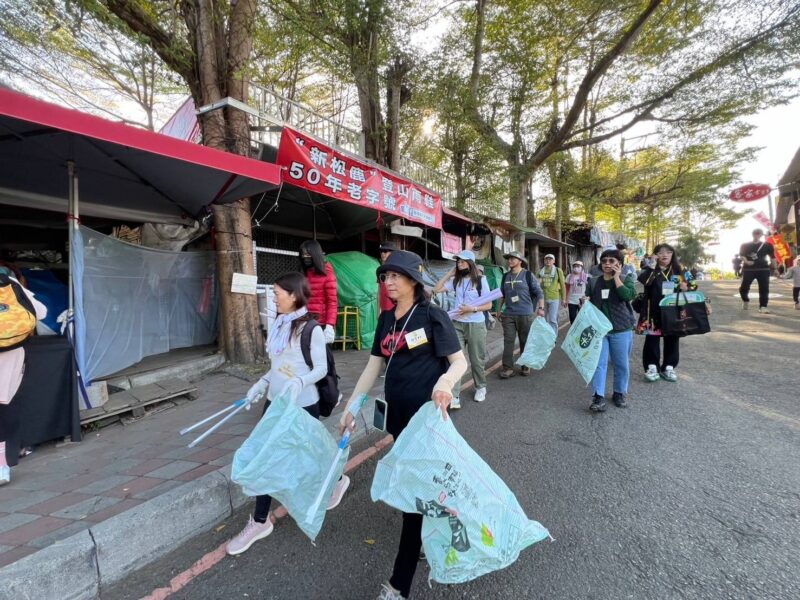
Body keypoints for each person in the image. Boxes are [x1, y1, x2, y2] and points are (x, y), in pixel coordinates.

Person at [337, 250, 467, 600]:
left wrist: (444, 384)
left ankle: (398, 585)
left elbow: (459, 362)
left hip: (426, 419)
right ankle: (435, 528)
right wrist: (353, 406)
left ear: (414, 280)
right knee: (420, 487)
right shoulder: (385, 319)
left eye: (395, 275)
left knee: (413, 497)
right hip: (398, 417)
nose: (388, 282)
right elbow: (372, 368)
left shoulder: (432, 316)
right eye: (385, 276)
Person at [225, 272, 348, 555]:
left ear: (294, 295)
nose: (273, 298)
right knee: (269, 457)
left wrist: (299, 382)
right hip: (275, 403)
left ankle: (337, 480)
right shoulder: (279, 323)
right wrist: (260, 384)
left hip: (303, 405)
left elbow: (320, 369)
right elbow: (278, 365)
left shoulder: (311, 329)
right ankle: (260, 520)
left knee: (301, 455)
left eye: (277, 293)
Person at [0, 267, 47, 486]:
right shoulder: (10, 282)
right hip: (12, 354)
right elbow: (41, 312)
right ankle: (3, 465)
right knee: (7, 406)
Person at [433, 250, 492, 407]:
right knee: (456, 361)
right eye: (457, 262)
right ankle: (455, 395)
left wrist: (471, 309)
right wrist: (449, 273)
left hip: (475, 324)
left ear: (470, 263)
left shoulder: (480, 280)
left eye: (462, 262)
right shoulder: (456, 281)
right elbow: (436, 289)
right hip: (457, 324)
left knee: (476, 358)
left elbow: (489, 305)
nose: (459, 264)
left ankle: (480, 387)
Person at [583, 248, 637, 412]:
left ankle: (619, 393)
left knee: (621, 364)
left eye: (612, 261)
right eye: (604, 260)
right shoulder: (593, 281)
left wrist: (616, 278)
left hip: (621, 329)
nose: (607, 263)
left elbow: (627, 296)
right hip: (600, 330)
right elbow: (588, 299)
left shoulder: (626, 279)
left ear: (619, 264)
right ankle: (598, 396)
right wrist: (584, 301)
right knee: (599, 364)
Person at [637, 244, 696, 383]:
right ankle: (651, 367)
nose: (665, 255)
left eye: (668, 252)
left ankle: (669, 367)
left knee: (673, 338)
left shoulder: (679, 270)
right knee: (652, 339)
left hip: (673, 311)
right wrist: (651, 265)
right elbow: (643, 280)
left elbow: (693, 285)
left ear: (672, 254)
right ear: (656, 255)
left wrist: (685, 287)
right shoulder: (651, 269)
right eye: (661, 252)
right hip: (653, 311)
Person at [496, 251, 544, 379]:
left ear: (520, 261)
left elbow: (539, 292)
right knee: (508, 341)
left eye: (513, 258)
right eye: (509, 259)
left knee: (525, 341)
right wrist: (499, 309)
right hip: (509, 314)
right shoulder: (506, 276)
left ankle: (525, 365)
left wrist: (541, 308)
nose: (510, 261)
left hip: (525, 314)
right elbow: (502, 295)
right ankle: (507, 368)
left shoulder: (527, 275)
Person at [299, 240, 338, 343]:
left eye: (307, 254)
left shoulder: (328, 275)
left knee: (322, 357)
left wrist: (329, 326)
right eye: (303, 254)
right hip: (305, 323)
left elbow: (332, 303)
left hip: (321, 325)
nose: (305, 257)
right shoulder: (305, 274)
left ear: (315, 254)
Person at [739, 228, 775, 313]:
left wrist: (776, 269)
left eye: (758, 233)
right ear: (752, 234)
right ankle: (745, 300)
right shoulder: (745, 245)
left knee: (764, 288)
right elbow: (742, 255)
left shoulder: (767, 245)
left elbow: (772, 257)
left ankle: (763, 306)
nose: (756, 235)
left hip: (763, 269)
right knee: (744, 287)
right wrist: (747, 262)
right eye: (755, 233)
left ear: (761, 235)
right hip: (748, 270)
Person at [538, 253, 566, 335]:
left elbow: (562, 285)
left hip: (554, 298)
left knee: (553, 319)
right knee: (544, 319)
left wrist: (563, 298)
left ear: (554, 261)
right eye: (546, 259)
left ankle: (553, 336)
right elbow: (537, 285)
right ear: (544, 261)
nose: (548, 261)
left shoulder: (558, 270)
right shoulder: (540, 271)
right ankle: (547, 335)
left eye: (550, 259)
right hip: (544, 298)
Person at [377, 241, 397, 313]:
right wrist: (378, 311)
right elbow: (379, 291)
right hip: (383, 310)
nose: (382, 254)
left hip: (394, 309)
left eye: (385, 251)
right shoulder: (380, 270)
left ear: (392, 253)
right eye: (381, 251)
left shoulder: (398, 270)